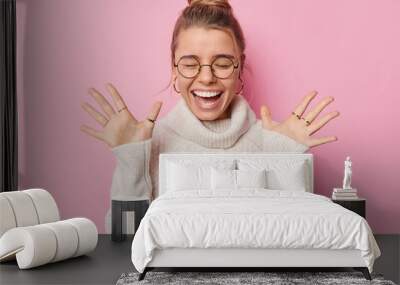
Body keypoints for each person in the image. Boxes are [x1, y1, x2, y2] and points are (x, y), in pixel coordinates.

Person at [80, 0, 340, 230]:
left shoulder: (269, 141)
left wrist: (281, 157)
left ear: (239, 67)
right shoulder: (147, 143)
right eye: (190, 64)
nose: (206, 77)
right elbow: (125, 243)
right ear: (174, 69)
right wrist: (132, 159)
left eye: (223, 64)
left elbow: (295, 235)